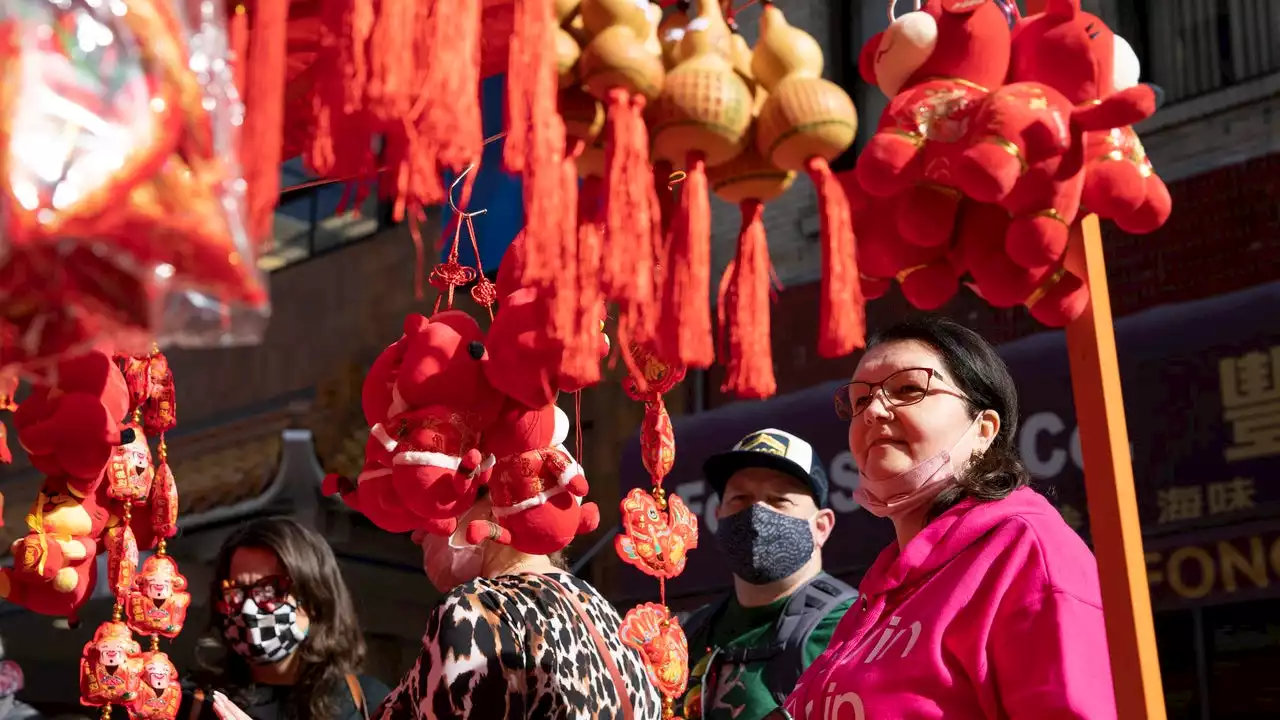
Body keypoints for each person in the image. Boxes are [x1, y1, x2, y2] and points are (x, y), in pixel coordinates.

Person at [784, 316, 1114, 719]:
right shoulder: (875, 596)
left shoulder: (1028, 554)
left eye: (907, 389)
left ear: (983, 429)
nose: (873, 411)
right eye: (859, 400)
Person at [375, 488, 663, 720]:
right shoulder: (606, 613)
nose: (421, 533)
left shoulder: (478, 609)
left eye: (441, 506)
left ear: (492, 505)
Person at [680, 429, 857, 720]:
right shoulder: (691, 634)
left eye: (778, 500)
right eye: (740, 498)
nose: (756, 512)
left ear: (821, 527)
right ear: (717, 517)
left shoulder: (851, 627)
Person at [184, 516, 390, 720]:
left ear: (313, 598)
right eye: (234, 591)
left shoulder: (369, 703)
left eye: (270, 589)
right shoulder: (193, 703)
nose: (248, 608)